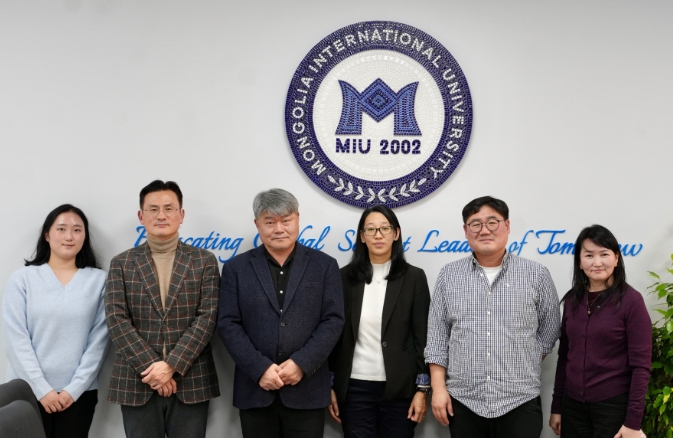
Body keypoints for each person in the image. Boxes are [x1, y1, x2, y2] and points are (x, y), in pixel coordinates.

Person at [425, 195, 561, 438]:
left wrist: (524, 357)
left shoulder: (536, 275)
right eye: (476, 224)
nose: (484, 230)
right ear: (466, 231)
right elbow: (437, 338)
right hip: (464, 401)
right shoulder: (449, 276)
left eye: (492, 222)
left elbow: (549, 331)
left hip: (520, 401)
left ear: (507, 226)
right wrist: (438, 389)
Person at [218, 188, 344, 438]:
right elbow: (228, 324)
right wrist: (260, 369)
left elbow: (333, 321)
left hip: (307, 390)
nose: (279, 229)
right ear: (257, 224)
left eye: (286, 221)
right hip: (256, 390)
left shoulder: (325, 266)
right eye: (270, 222)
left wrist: (301, 363)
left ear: (297, 219)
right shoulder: (236, 268)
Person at [105, 180, 220, 438]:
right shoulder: (122, 263)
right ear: (141, 216)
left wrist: (171, 366)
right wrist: (153, 367)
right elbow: (116, 319)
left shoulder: (204, 261)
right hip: (137, 381)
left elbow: (207, 318)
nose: (161, 215)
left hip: (191, 380)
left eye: (169, 209)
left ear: (181, 215)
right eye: (153, 209)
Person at [3, 204, 108, 438]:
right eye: (61, 229)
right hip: (26, 391)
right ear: (47, 235)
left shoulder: (100, 281)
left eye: (77, 230)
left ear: (84, 236)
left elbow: (99, 343)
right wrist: (42, 389)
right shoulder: (22, 279)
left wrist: (73, 390)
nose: (69, 236)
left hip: (78, 395)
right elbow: (15, 339)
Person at [328, 205, 431, 437]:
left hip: (400, 389)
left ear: (396, 233)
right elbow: (334, 336)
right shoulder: (344, 277)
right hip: (354, 388)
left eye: (385, 228)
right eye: (371, 229)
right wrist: (330, 385)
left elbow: (422, 337)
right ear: (362, 236)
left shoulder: (414, 277)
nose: (378, 235)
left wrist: (422, 389)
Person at [549, 225, 651, 438]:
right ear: (579, 262)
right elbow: (565, 357)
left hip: (613, 407)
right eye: (589, 255)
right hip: (572, 407)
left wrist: (633, 422)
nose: (597, 262)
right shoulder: (572, 300)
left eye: (604, 254)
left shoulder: (631, 301)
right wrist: (557, 406)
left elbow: (641, 367)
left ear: (616, 258)